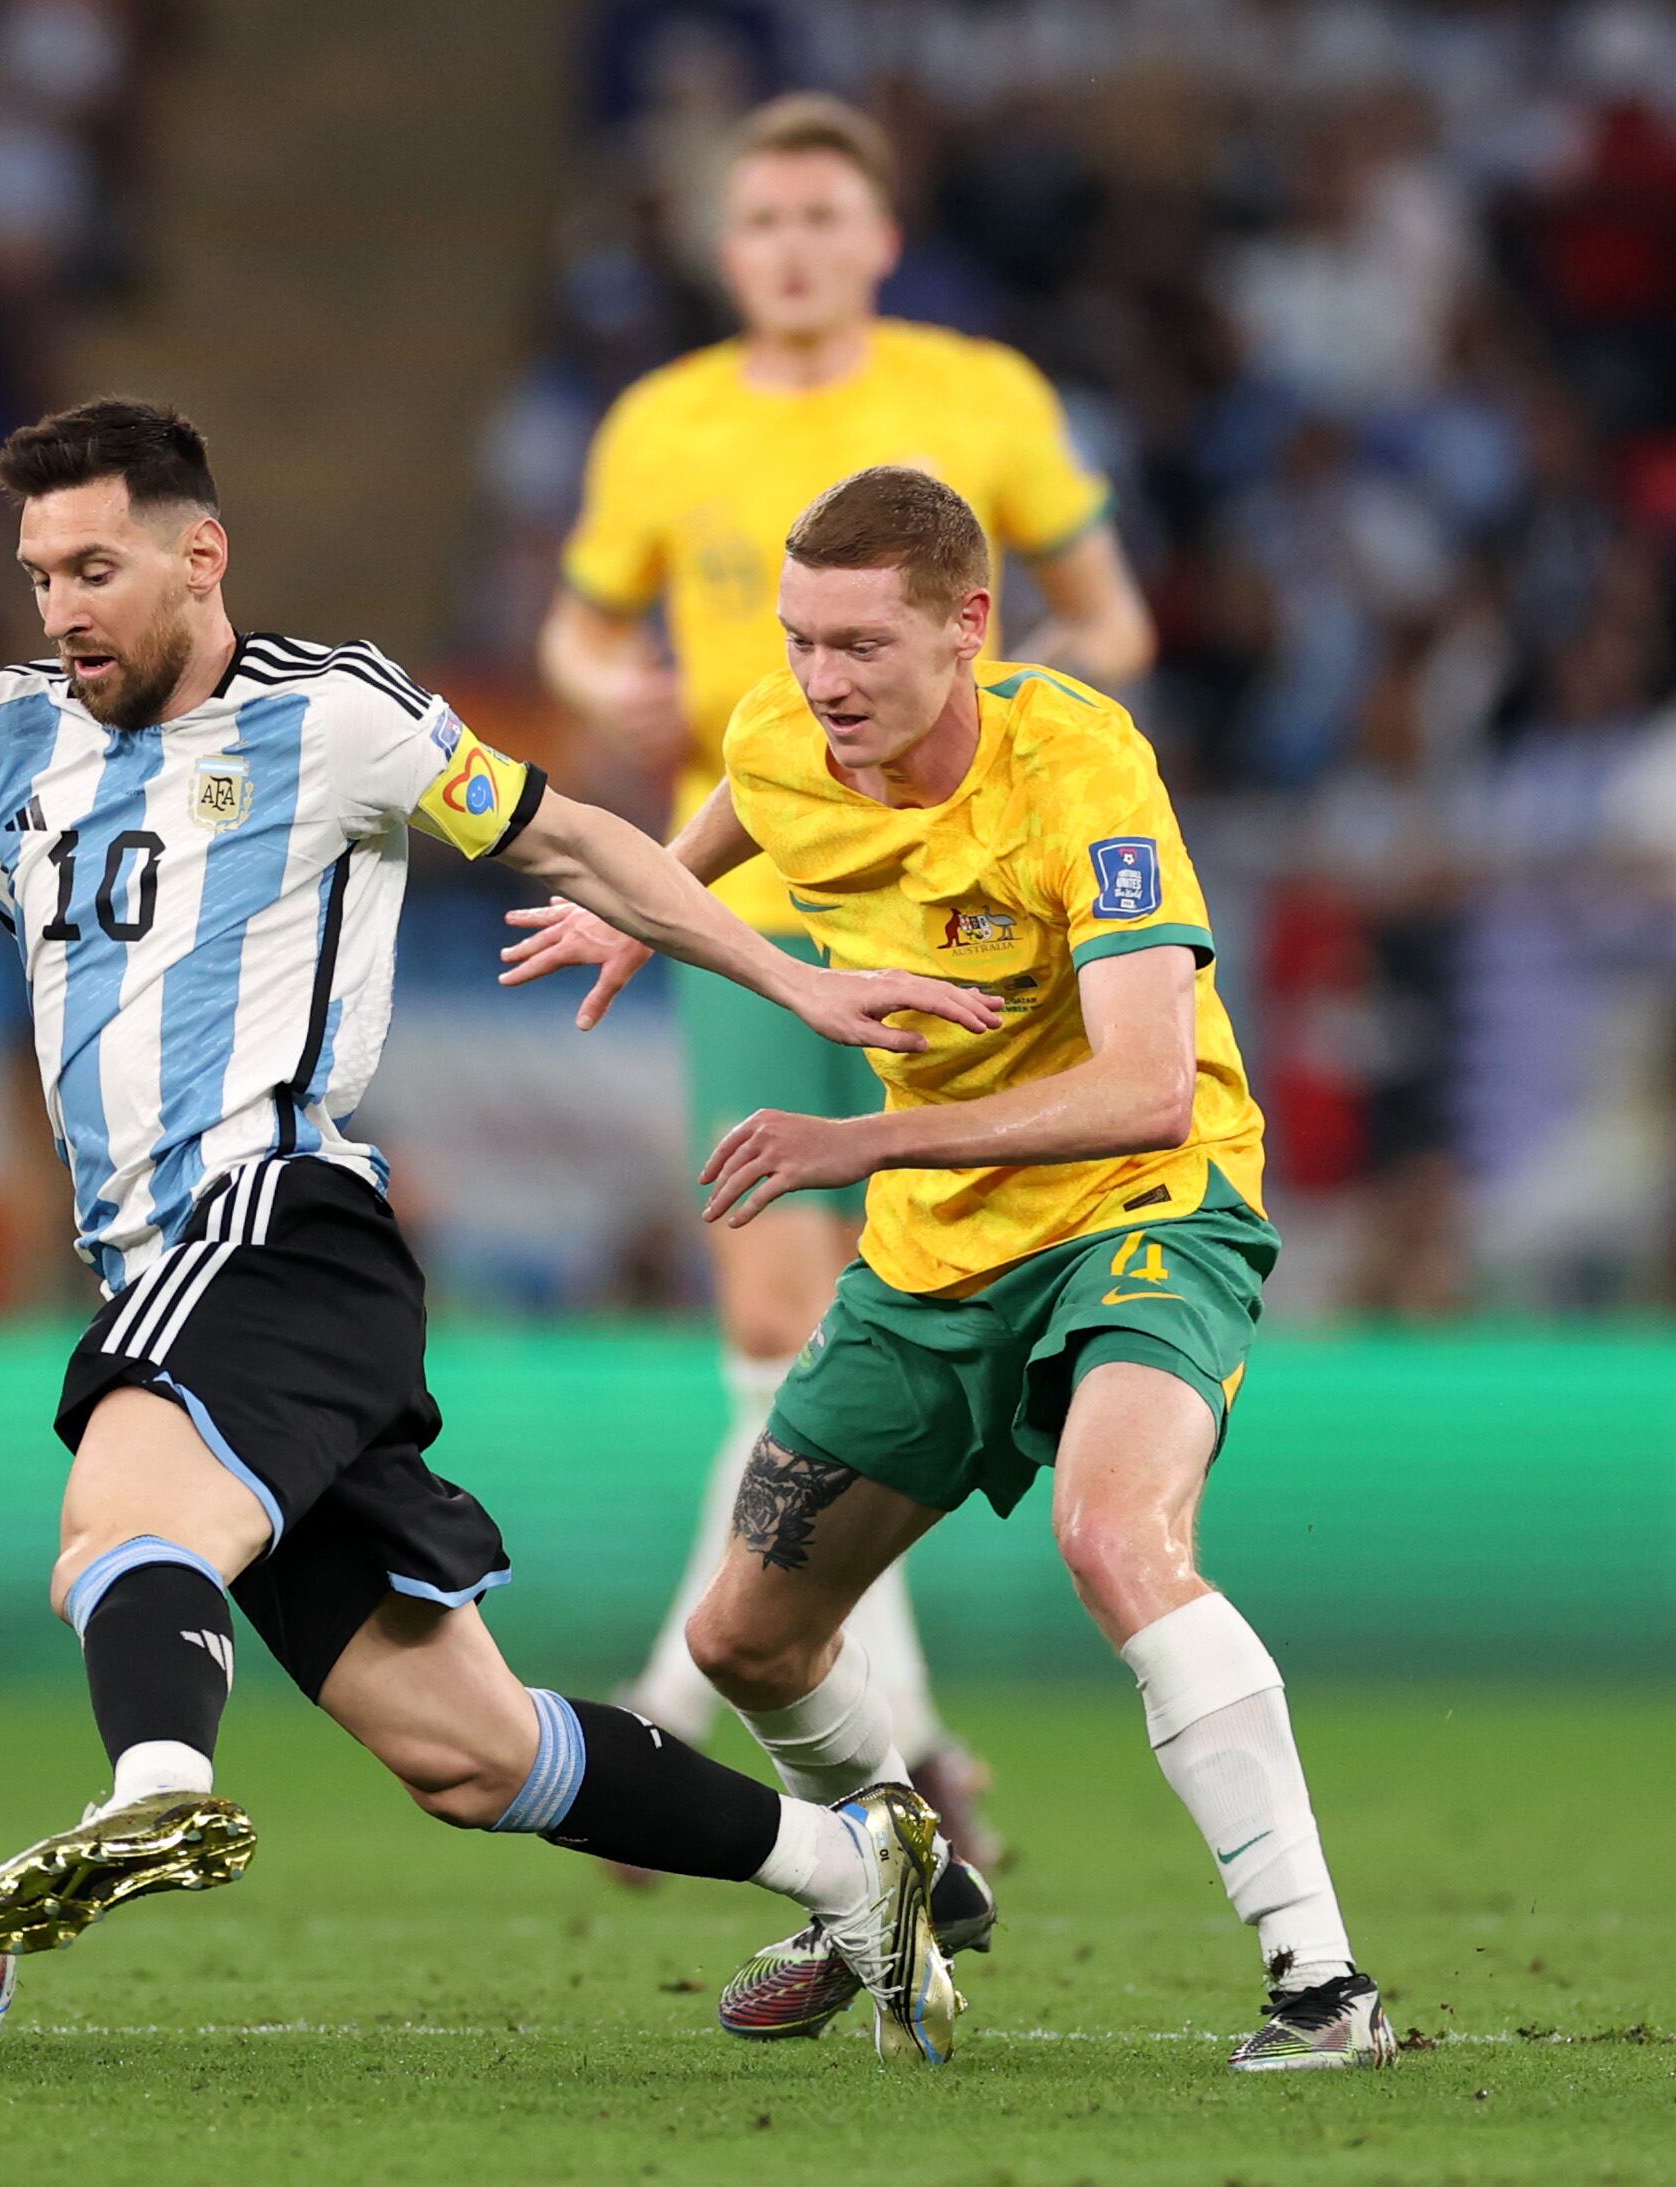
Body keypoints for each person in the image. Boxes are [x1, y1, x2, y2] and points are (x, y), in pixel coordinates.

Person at [0, 401, 1008, 2059]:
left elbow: (572, 837)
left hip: (274, 1217)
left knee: (117, 1522)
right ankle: (850, 1861)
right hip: (178, 1271)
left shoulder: (335, 716)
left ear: (202, 557)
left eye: (95, 568)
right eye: (39, 574)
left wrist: (793, 975)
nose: (61, 609)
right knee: (469, 1751)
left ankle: (157, 1790)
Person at [506, 467, 1392, 2072]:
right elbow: (741, 788)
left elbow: (1146, 1085)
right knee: (741, 1643)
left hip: (1140, 1208)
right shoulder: (789, 736)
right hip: (932, 1265)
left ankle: (1321, 1987)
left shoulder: (1077, 766)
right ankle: (900, 1870)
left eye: (859, 644)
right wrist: (652, 908)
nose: (821, 683)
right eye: (797, 640)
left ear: (966, 628)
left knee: (1112, 1536)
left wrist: (858, 1147)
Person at [538, 91, 1157, 1861]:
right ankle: (889, 1741)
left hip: (961, 913)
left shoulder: (979, 401)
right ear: (723, 249)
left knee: (884, 1302)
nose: (791, 248)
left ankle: (703, 1702)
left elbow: (1109, 616)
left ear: (878, 238)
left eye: (822, 217)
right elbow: (585, 621)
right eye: (760, 223)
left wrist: (999, 715)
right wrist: (604, 691)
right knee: (767, 1316)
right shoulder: (659, 424)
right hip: (743, 898)